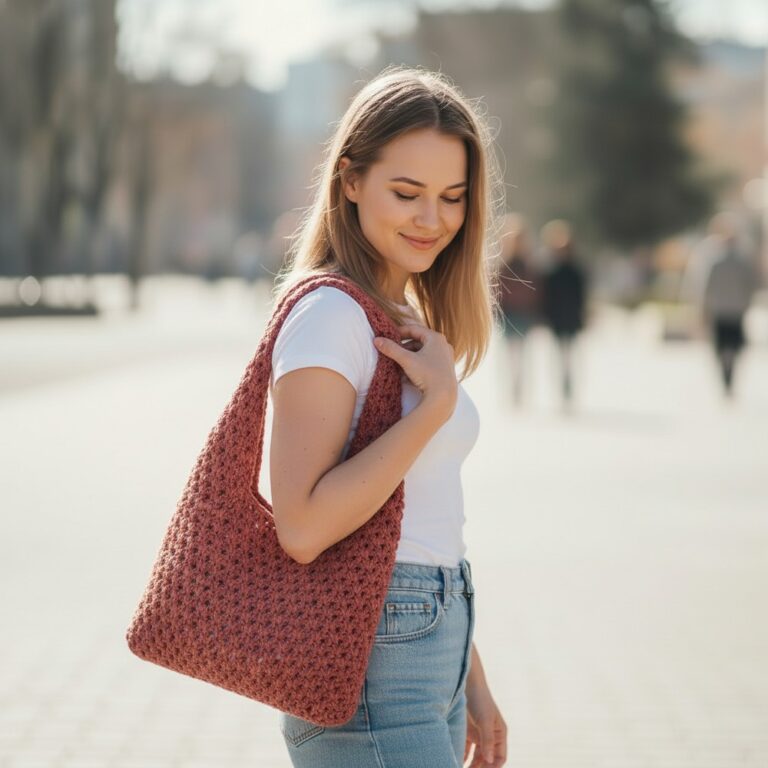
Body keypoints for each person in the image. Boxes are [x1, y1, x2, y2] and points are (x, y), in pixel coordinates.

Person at [267, 67, 508, 766]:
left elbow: (421, 523)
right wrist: (432, 408)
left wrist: (470, 674)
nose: (431, 219)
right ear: (349, 180)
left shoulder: (403, 316)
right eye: (406, 193)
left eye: (452, 197)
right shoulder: (331, 316)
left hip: (431, 646)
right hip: (371, 664)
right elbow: (305, 525)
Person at [700, 213, 759, 398]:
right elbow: (752, 285)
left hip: (720, 310)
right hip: (736, 310)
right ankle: (729, 375)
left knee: (722, 347)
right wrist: (746, 303)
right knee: (734, 347)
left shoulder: (715, 261)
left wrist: (704, 308)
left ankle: (726, 376)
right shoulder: (743, 262)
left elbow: (706, 286)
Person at [539, 219, 587, 409]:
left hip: (572, 320)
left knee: (569, 357)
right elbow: (545, 298)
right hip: (557, 321)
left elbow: (581, 297)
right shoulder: (549, 271)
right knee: (559, 355)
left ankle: (568, 389)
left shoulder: (577, 270)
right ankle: (560, 389)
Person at [497, 212, 540, 406]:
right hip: (508, 315)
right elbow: (495, 290)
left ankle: (519, 388)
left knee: (521, 354)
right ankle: (513, 389)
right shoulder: (502, 262)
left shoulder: (529, 263)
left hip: (523, 315)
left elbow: (536, 289)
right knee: (511, 355)